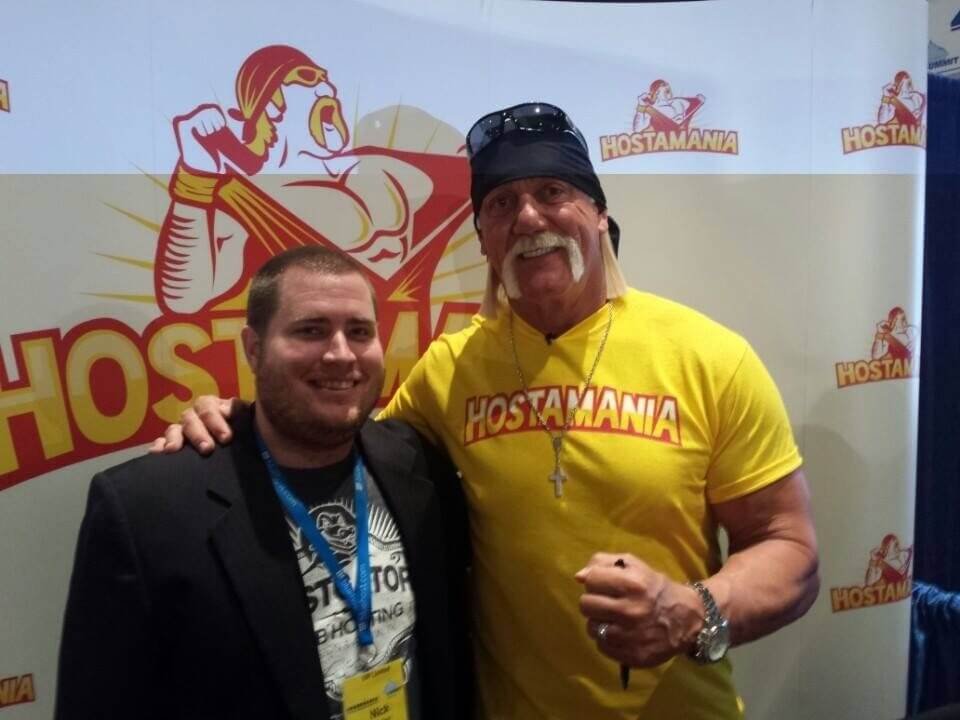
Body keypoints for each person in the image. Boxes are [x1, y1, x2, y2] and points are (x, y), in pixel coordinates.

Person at [155, 102, 820, 719]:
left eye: (552, 192)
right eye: (501, 203)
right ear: (483, 239)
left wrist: (692, 609)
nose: (528, 218)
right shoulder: (450, 369)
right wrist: (238, 424)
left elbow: (789, 548)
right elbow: (334, 441)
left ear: (598, 214)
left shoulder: (710, 357)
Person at [57, 246, 471, 720]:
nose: (340, 354)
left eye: (359, 331)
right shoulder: (145, 510)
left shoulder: (419, 466)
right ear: (254, 349)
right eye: (311, 330)